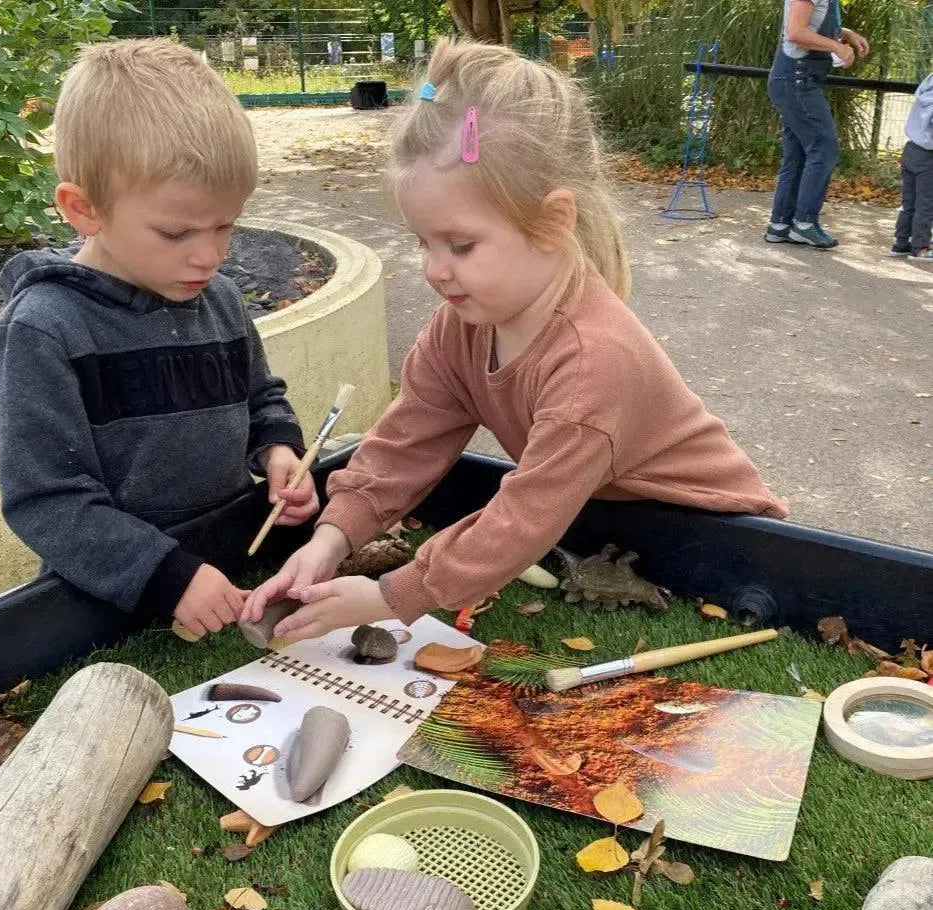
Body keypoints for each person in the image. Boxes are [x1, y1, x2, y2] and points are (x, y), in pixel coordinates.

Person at [243, 39, 788, 642]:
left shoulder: (594, 362)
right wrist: (331, 538)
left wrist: (390, 595)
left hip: (719, 543)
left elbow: (525, 517)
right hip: (603, 520)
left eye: (461, 245)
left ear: (553, 222)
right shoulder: (461, 324)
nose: (434, 269)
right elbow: (406, 440)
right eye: (423, 242)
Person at [0, 39, 318, 639]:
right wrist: (169, 576)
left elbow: (260, 396)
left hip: (235, 559)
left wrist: (278, 452)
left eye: (225, 225)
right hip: (109, 604)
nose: (210, 254)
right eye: (175, 232)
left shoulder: (218, 300)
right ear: (84, 209)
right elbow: (46, 499)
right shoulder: (43, 329)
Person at [764, 0, 869, 249]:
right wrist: (837, 47)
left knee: (798, 153)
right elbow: (796, 32)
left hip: (795, 79)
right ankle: (804, 223)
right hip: (797, 80)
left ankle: (780, 225)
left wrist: (846, 33)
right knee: (824, 148)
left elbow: (811, 22)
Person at [890, 72, 933, 261]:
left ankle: (901, 243)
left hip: (911, 148)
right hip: (928, 154)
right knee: (926, 203)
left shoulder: (928, 84)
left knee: (909, 202)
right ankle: (921, 247)